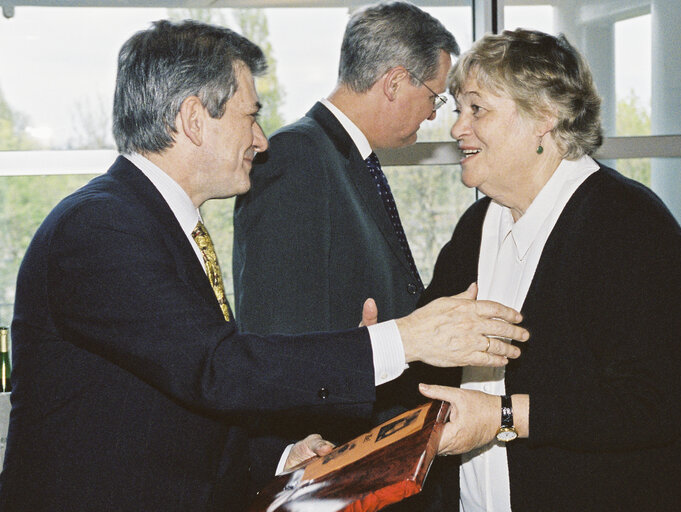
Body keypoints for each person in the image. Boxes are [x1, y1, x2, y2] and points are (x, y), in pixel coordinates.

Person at [0, 20, 530, 512]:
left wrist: (279, 456)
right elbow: (218, 370)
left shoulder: (146, 221)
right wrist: (406, 339)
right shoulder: (98, 228)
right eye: (250, 115)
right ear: (192, 119)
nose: (260, 139)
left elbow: (185, 393)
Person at [417, 29, 681, 511]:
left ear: (545, 116)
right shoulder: (477, 225)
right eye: (459, 110)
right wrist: (389, 344)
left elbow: (656, 403)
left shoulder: (628, 226)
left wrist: (503, 416)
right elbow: (434, 350)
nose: (458, 128)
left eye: (477, 109)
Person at [231, 0, 460, 487]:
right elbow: (277, 341)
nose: (434, 116)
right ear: (396, 82)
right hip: (331, 459)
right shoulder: (297, 156)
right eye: (435, 98)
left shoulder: (346, 158)